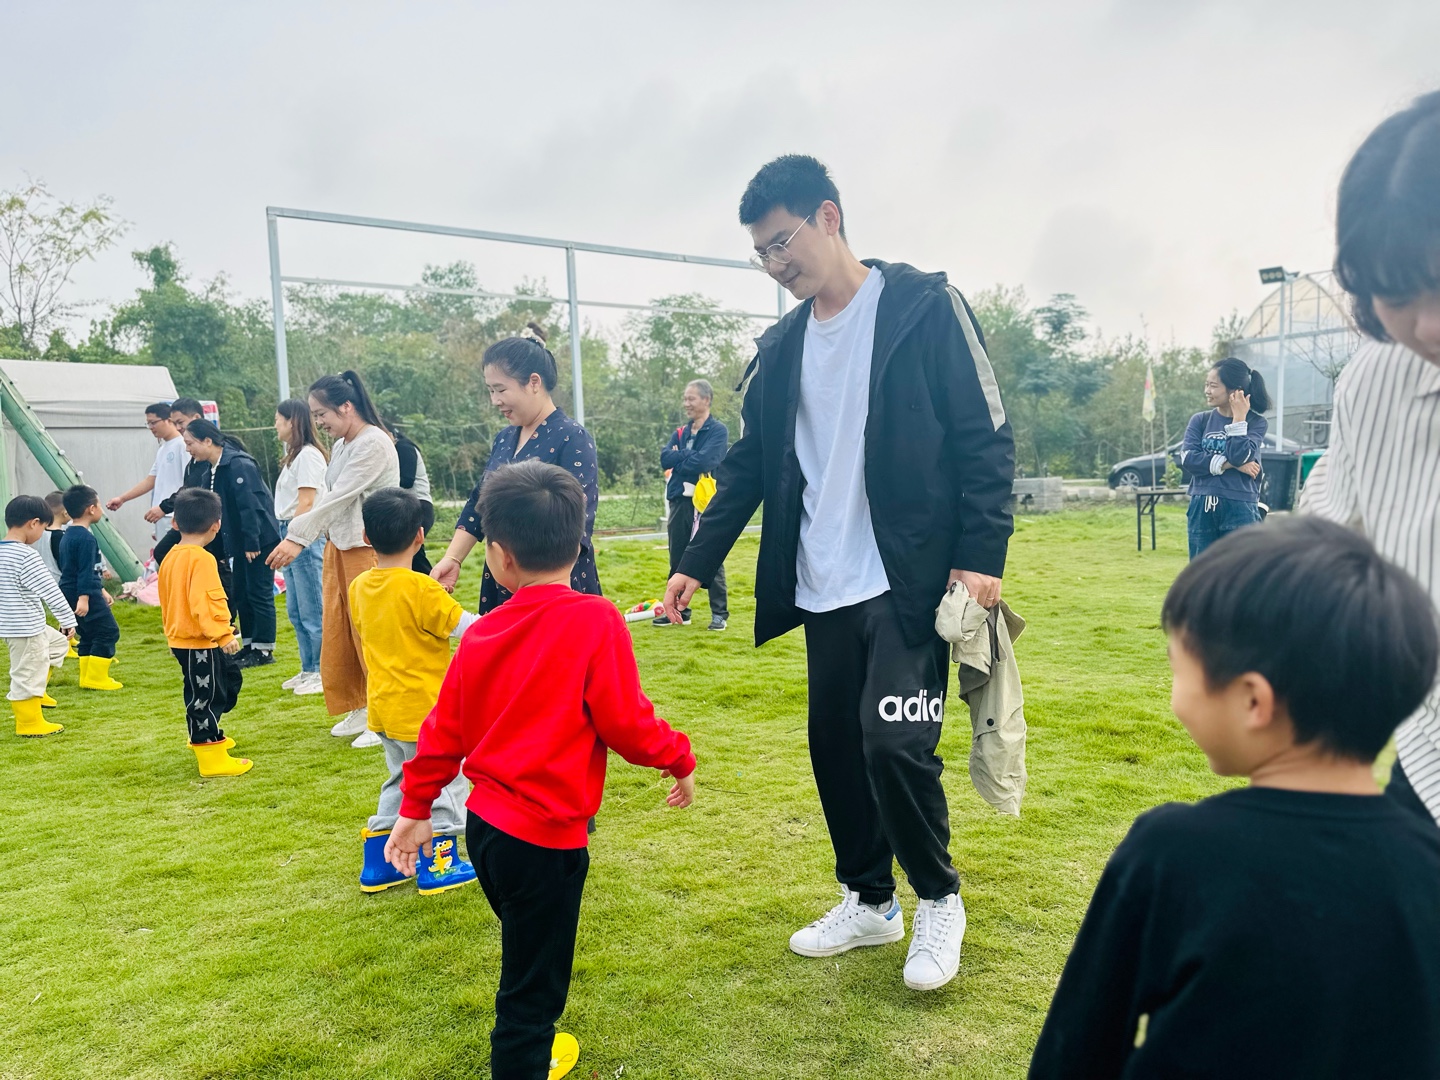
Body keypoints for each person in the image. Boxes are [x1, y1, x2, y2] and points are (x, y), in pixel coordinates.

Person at [662, 154, 1014, 992]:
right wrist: (694, 563)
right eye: (761, 253)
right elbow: (748, 464)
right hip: (821, 584)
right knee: (835, 749)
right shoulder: (782, 347)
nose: (775, 264)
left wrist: (981, 557)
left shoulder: (924, 306)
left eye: (782, 242)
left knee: (894, 743)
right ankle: (869, 901)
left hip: (907, 578)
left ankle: (938, 898)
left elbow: (986, 436)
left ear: (829, 217)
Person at [1028, 517, 1440, 1078]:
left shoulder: (1171, 853)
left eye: (1178, 670)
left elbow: (1077, 1047)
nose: (1175, 697)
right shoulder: (1428, 863)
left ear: (1253, 702)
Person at [387, 460, 696, 1080]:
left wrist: (415, 808)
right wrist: (678, 758)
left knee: (527, 948)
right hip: (545, 844)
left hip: (486, 833)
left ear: (499, 558)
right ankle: (525, 1059)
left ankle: (532, 1049)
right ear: (579, 545)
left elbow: (441, 733)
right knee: (531, 992)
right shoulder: (596, 618)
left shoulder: (481, 634)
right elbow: (627, 723)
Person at [1302, 89, 1440, 827]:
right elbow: (1330, 540)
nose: (1429, 325)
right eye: (1397, 292)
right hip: (1429, 758)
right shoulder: (1376, 379)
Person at [349, 487, 478, 895]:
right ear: (420, 536)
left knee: (400, 780)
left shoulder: (360, 587)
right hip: (426, 712)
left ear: (366, 537)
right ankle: (439, 863)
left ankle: (379, 864)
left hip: (384, 710)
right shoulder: (422, 590)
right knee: (442, 781)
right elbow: (466, 629)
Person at [267, 371, 400, 746]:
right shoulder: (343, 444)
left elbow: (338, 497)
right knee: (341, 628)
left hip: (367, 547)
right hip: (338, 545)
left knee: (371, 632)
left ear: (346, 407)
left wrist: (297, 537)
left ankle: (384, 715)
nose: (318, 422)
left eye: (321, 414)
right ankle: (362, 704)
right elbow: (332, 496)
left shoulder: (373, 443)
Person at [431, 323, 602, 613]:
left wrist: (535, 583)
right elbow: (480, 502)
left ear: (534, 382)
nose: (494, 400)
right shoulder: (504, 438)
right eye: (490, 390)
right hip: (503, 577)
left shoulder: (572, 437)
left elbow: (577, 522)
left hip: (553, 588)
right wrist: (453, 558)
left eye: (500, 389)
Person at [159, 489, 250, 777]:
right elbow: (208, 600)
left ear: (175, 522)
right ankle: (209, 752)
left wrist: (171, 634)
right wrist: (224, 633)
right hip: (200, 641)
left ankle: (209, 738)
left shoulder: (170, 556)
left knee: (210, 689)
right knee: (206, 696)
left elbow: (168, 601)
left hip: (183, 639)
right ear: (216, 525)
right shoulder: (202, 559)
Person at [181, 419, 282, 670]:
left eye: (190, 443)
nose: (188, 449)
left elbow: (251, 506)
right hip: (241, 542)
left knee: (258, 593)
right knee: (241, 593)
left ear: (207, 441)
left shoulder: (238, 464)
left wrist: (252, 542)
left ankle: (264, 649)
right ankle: (249, 645)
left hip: (258, 540)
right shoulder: (212, 468)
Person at [655, 379, 729, 630]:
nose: (686, 403)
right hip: (679, 500)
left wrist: (680, 460)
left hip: (705, 503)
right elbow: (665, 458)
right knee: (677, 555)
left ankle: (719, 614)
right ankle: (678, 611)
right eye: (685, 398)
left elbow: (706, 461)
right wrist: (688, 456)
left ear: (706, 400)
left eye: (691, 398)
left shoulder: (717, 431)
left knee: (710, 553)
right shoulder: (680, 432)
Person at [1178, 358, 1270, 559]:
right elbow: (1188, 459)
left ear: (1235, 391)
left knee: (1241, 571)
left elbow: (1240, 455)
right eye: (1206, 385)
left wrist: (1239, 419)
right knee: (1202, 570)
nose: (1207, 391)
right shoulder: (1200, 420)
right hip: (1202, 506)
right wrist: (1229, 465)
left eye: (1213, 386)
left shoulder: (1256, 423)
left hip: (1241, 506)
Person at [1, 495, 77, 736]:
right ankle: (29, 723)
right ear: (34, 523)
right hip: (25, 627)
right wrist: (68, 620)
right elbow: (50, 591)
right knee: (26, 672)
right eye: (43, 528)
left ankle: (38, 691)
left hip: (18, 624)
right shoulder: (26, 555)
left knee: (56, 644)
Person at [151, 399, 237, 608]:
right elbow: (188, 485)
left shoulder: (216, 453)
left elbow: (198, 487)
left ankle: (225, 611)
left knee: (215, 560)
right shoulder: (187, 452)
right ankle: (189, 594)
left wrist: (166, 507)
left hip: (206, 517)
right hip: (188, 514)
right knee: (165, 552)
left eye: (180, 422)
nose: (177, 428)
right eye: (174, 423)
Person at [273, 399, 328, 696]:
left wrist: (293, 537)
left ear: (292, 421)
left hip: (304, 533)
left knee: (312, 607)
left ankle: (321, 670)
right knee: (296, 608)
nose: (275, 425)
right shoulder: (295, 457)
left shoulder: (308, 455)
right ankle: (308, 667)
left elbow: (306, 502)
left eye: (278, 419)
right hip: (290, 528)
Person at [57, 486, 123, 691]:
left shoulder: (68, 534)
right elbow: (85, 570)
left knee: (88, 633)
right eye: (99, 504)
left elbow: (75, 568)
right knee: (108, 631)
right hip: (82, 592)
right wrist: (85, 597)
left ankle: (86, 677)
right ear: (91, 509)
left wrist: (101, 590)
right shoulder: (86, 538)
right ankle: (96, 678)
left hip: (70, 589)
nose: (101, 509)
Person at [105, 402, 189, 544]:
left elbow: (189, 482)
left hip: (174, 514)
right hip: (160, 514)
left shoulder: (182, 445)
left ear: (168, 420)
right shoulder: (162, 449)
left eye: (153, 422)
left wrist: (170, 507)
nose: (150, 427)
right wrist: (122, 498)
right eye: (148, 424)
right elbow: (150, 480)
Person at [392, 426, 436, 576]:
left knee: (411, 554)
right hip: (407, 505)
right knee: (412, 556)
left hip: (418, 505)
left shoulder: (403, 447)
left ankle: (433, 585)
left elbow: (407, 481)